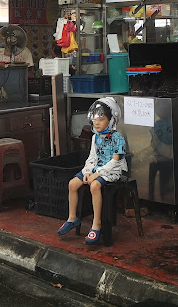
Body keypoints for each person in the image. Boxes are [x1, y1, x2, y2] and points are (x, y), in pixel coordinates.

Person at [57, 97, 127, 245]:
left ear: (112, 120)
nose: (97, 123)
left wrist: (97, 174)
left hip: (112, 171)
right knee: (72, 184)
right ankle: (72, 218)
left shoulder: (118, 138)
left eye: (101, 119)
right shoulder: (95, 137)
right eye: (95, 119)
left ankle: (96, 224)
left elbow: (116, 161)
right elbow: (92, 158)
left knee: (95, 186)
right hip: (95, 169)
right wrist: (88, 171)